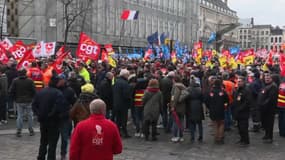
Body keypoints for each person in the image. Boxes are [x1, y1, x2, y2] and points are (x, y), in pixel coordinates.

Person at [32, 75, 68, 160]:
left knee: (43, 142)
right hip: (54, 121)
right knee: (52, 143)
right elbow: (59, 107)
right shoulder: (58, 93)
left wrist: (39, 114)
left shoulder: (41, 92)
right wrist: (52, 114)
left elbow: (34, 105)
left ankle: (41, 157)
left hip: (43, 121)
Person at [9, 69, 36, 137]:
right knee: (30, 115)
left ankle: (19, 131)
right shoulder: (30, 80)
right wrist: (32, 98)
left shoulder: (15, 81)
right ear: (25, 73)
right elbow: (34, 91)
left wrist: (14, 98)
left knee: (20, 116)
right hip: (28, 100)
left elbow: (11, 91)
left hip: (19, 101)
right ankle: (31, 130)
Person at [57, 74, 77, 160]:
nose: (59, 81)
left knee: (65, 137)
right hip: (54, 117)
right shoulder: (54, 89)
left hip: (65, 116)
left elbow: (74, 103)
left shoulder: (69, 90)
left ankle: (63, 154)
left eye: (61, 79)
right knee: (53, 138)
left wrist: (71, 113)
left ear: (64, 80)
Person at [205, 79, 229, 144]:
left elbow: (206, 101)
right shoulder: (223, 92)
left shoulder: (210, 92)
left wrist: (209, 107)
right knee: (221, 123)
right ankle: (220, 137)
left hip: (212, 110)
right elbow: (227, 101)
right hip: (221, 109)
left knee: (215, 124)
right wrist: (225, 106)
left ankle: (216, 138)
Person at [257, 71, 278, 143]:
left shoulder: (273, 86)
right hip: (263, 109)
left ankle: (270, 137)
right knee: (265, 123)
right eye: (265, 76)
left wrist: (263, 105)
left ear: (271, 78)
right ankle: (266, 135)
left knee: (269, 123)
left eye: (268, 77)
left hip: (269, 109)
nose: (267, 78)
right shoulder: (265, 85)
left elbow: (270, 99)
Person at [232, 76, 253, 146]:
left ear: (244, 82)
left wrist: (240, 108)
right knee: (239, 127)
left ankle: (246, 141)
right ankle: (242, 139)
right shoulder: (238, 89)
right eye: (238, 81)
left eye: (240, 81)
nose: (238, 83)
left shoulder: (246, 90)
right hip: (238, 112)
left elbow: (247, 102)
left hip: (243, 112)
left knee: (244, 127)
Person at [112, 69, 132, 138]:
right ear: (125, 75)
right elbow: (126, 95)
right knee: (124, 119)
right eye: (128, 75)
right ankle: (125, 132)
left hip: (116, 103)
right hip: (123, 104)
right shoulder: (125, 83)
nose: (128, 76)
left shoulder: (116, 82)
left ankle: (117, 132)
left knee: (118, 119)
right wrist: (129, 101)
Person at [186, 75, 204, 143]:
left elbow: (186, 98)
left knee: (191, 123)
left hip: (191, 105)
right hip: (199, 106)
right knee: (199, 123)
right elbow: (202, 98)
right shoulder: (200, 89)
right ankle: (200, 136)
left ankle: (192, 137)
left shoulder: (188, 89)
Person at [170, 76, 187, 143]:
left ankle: (175, 136)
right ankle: (181, 136)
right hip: (182, 107)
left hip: (177, 107)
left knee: (175, 122)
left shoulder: (176, 86)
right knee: (181, 121)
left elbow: (175, 97)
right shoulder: (183, 86)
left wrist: (172, 106)